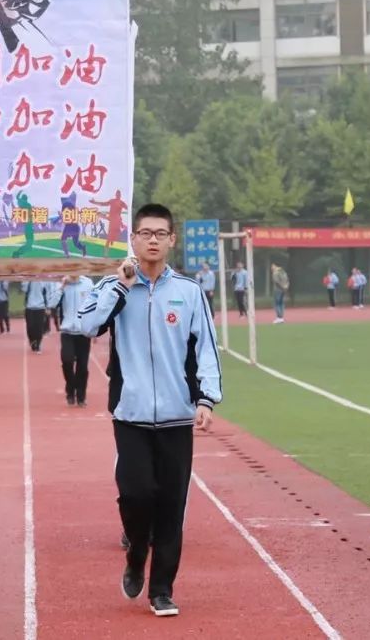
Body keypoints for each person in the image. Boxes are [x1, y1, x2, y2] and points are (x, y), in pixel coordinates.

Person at [80, 203, 220, 619]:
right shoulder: (115, 288)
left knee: (172, 504)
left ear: (172, 240)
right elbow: (86, 325)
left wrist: (206, 399)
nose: (153, 240)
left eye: (161, 233)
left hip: (178, 415)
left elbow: (206, 350)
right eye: (145, 233)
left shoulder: (189, 293)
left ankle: (162, 589)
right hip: (132, 413)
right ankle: (136, 547)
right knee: (137, 493)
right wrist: (120, 287)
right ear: (134, 240)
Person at [53, 273, 95, 406]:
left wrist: (94, 327)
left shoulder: (88, 283)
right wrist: (62, 286)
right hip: (67, 331)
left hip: (83, 331)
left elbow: (94, 305)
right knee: (67, 360)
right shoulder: (61, 284)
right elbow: (52, 303)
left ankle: (81, 396)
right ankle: (70, 389)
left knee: (82, 366)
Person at [23, 279, 54, 353]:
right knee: (30, 326)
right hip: (29, 306)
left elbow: (48, 293)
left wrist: (48, 307)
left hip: (40, 307)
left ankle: (38, 343)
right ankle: (32, 340)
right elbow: (23, 289)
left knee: (39, 327)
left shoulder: (44, 281)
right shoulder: (27, 280)